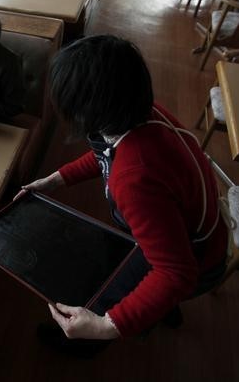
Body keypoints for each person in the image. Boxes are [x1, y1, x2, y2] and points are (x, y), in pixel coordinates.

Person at [21, 35, 228, 342]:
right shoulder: (138, 113)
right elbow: (105, 156)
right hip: (199, 238)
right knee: (150, 286)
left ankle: (84, 344)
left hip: (197, 262)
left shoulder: (134, 180)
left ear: (88, 112)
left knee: (109, 297)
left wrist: (103, 327)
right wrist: (54, 180)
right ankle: (162, 309)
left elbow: (176, 273)